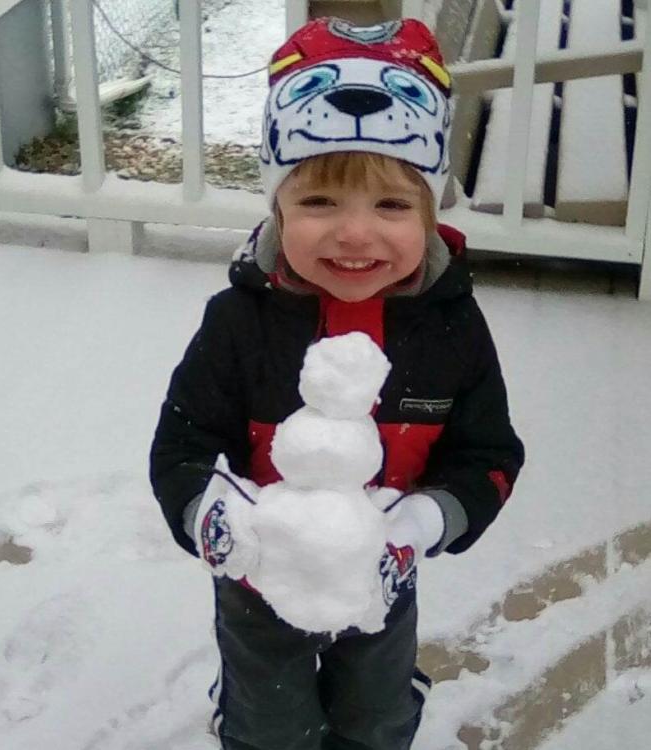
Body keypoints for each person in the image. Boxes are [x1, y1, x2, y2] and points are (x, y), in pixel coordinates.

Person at [150, 16, 524, 750]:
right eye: (318, 203)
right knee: (270, 724)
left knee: (375, 715)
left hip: (385, 574)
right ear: (277, 206)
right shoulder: (239, 323)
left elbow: (489, 457)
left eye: (391, 205)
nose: (355, 235)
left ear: (429, 211)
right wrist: (212, 518)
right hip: (257, 580)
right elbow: (181, 446)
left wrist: (421, 524)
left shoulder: (452, 329)